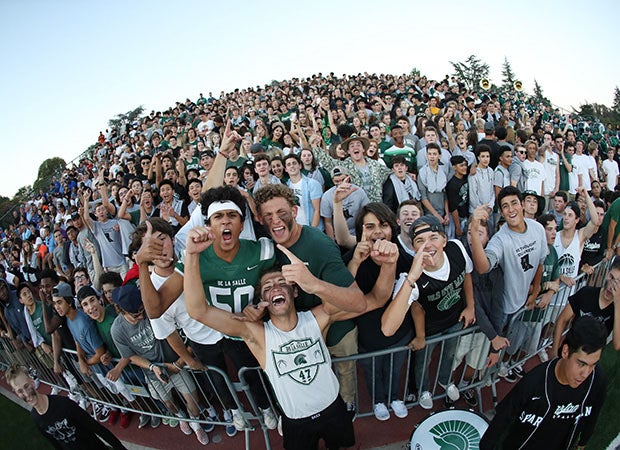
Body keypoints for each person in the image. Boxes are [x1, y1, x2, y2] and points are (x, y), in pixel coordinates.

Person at [183, 239, 398, 450]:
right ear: (263, 299)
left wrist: (390, 264)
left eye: (282, 283)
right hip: (296, 421)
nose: (275, 288)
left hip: (334, 408)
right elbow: (198, 311)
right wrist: (191, 255)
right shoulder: (256, 333)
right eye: (268, 287)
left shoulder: (318, 318)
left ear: (295, 291)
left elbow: (377, 299)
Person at [381, 215, 476, 410]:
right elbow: (390, 326)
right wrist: (411, 278)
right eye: (419, 241)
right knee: (423, 361)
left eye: (433, 237)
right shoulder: (410, 278)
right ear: (414, 248)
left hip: (455, 319)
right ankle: (424, 389)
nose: (427, 245)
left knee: (450, 354)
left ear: (444, 240)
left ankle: (445, 380)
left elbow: (467, 274)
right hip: (430, 327)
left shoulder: (457, 248)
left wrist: (470, 306)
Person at [480, 316, 607, 450]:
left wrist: (582, 442)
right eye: (581, 364)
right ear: (565, 351)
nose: (586, 373)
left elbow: (593, 415)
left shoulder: (597, 380)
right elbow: (500, 423)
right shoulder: (533, 383)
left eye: (593, 365)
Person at [5, 364, 127, 450]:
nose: (26, 394)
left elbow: (97, 428)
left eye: (26, 386)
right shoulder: (36, 417)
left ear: (32, 381)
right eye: (20, 391)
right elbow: (56, 444)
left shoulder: (63, 404)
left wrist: (119, 447)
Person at [551, 257, 620, 358]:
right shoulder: (586, 293)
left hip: (590, 360)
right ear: (606, 274)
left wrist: (617, 303)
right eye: (611, 277)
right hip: (569, 352)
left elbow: (617, 344)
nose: (611, 286)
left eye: (618, 283)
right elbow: (562, 319)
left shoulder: (617, 309)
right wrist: (554, 351)